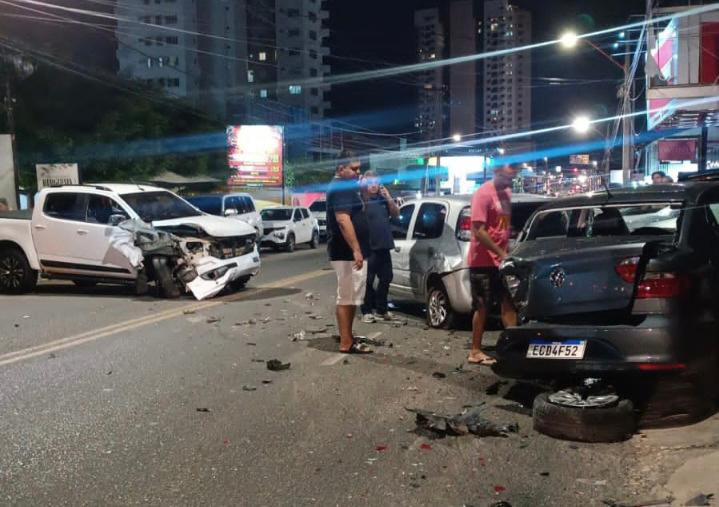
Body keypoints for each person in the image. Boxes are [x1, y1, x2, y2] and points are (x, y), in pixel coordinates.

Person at [467, 163, 520, 365]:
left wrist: (509, 244)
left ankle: (515, 346)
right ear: (497, 171)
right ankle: (475, 350)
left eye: (514, 174)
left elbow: (502, 225)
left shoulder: (506, 193)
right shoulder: (483, 194)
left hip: (501, 260)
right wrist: (499, 252)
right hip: (482, 261)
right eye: (509, 173)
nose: (512, 177)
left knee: (508, 303)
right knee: (483, 306)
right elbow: (478, 230)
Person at [326, 151, 373, 354]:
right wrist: (356, 249)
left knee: (352, 296)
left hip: (348, 251)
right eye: (353, 168)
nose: (358, 172)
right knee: (346, 296)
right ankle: (346, 341)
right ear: (340, 169)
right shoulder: (341, 188)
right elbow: (343, 220)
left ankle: (349, 337)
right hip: (345, 252)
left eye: (358, 168)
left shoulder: (348, 187)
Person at [359, 170, 400, 323]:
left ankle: (382, 309)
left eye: (375, 182)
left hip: (384, 246)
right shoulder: (361, 200)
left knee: (387, 277)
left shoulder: (383, 200)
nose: (373, 186)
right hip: (369, 247)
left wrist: (388, 197)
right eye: (369, 183)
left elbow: (396, 214)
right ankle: (367, 310)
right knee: (368, 281)